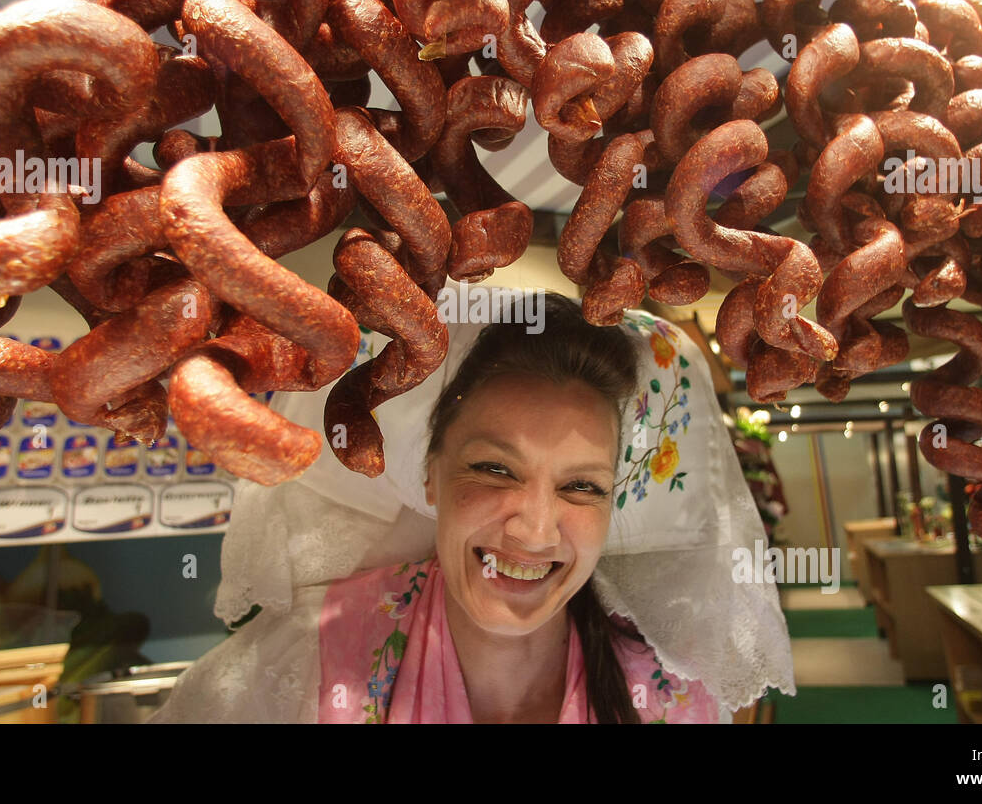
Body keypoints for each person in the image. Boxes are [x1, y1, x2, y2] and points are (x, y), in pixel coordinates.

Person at [152, 289, 793, 724]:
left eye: (582, 487)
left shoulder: (671, 701)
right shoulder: (309, 663)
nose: (536, 531)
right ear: (429, 477)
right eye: (493, 468)